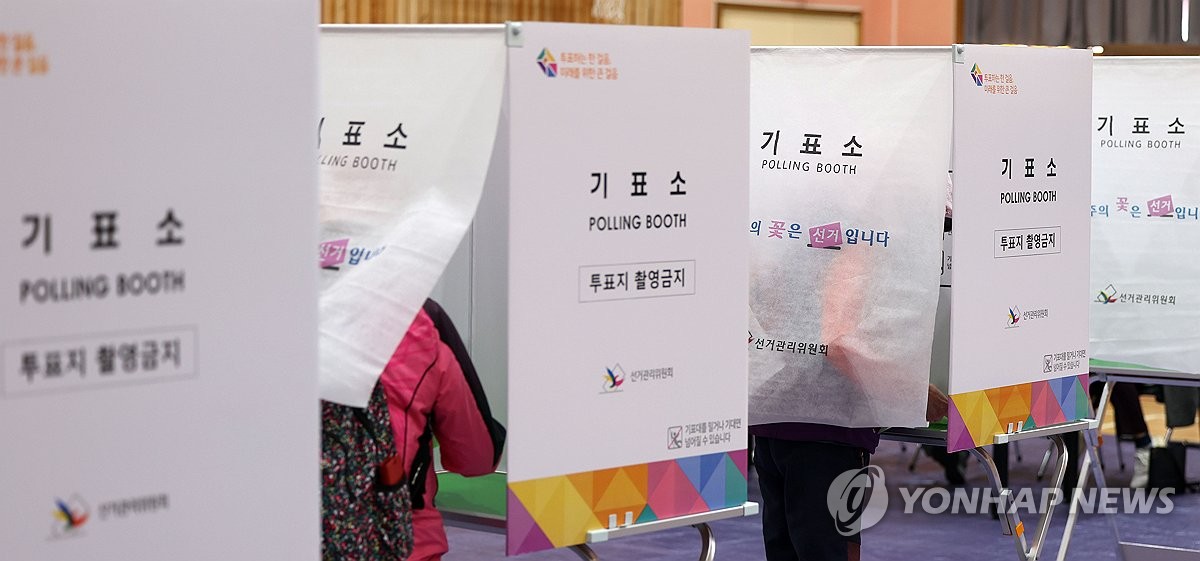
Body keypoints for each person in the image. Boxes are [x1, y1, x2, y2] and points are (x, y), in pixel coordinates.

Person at [752, 385, 947, 561]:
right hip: (827, 435)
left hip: (774, 420)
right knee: (828, 550)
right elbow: (854, 356)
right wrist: (917, 391)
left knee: (784, 549)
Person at [379, 299, 505, 561]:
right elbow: (475, 457)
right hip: (402, 538)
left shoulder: (289, 317)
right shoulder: (419, 319)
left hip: (295, 537)